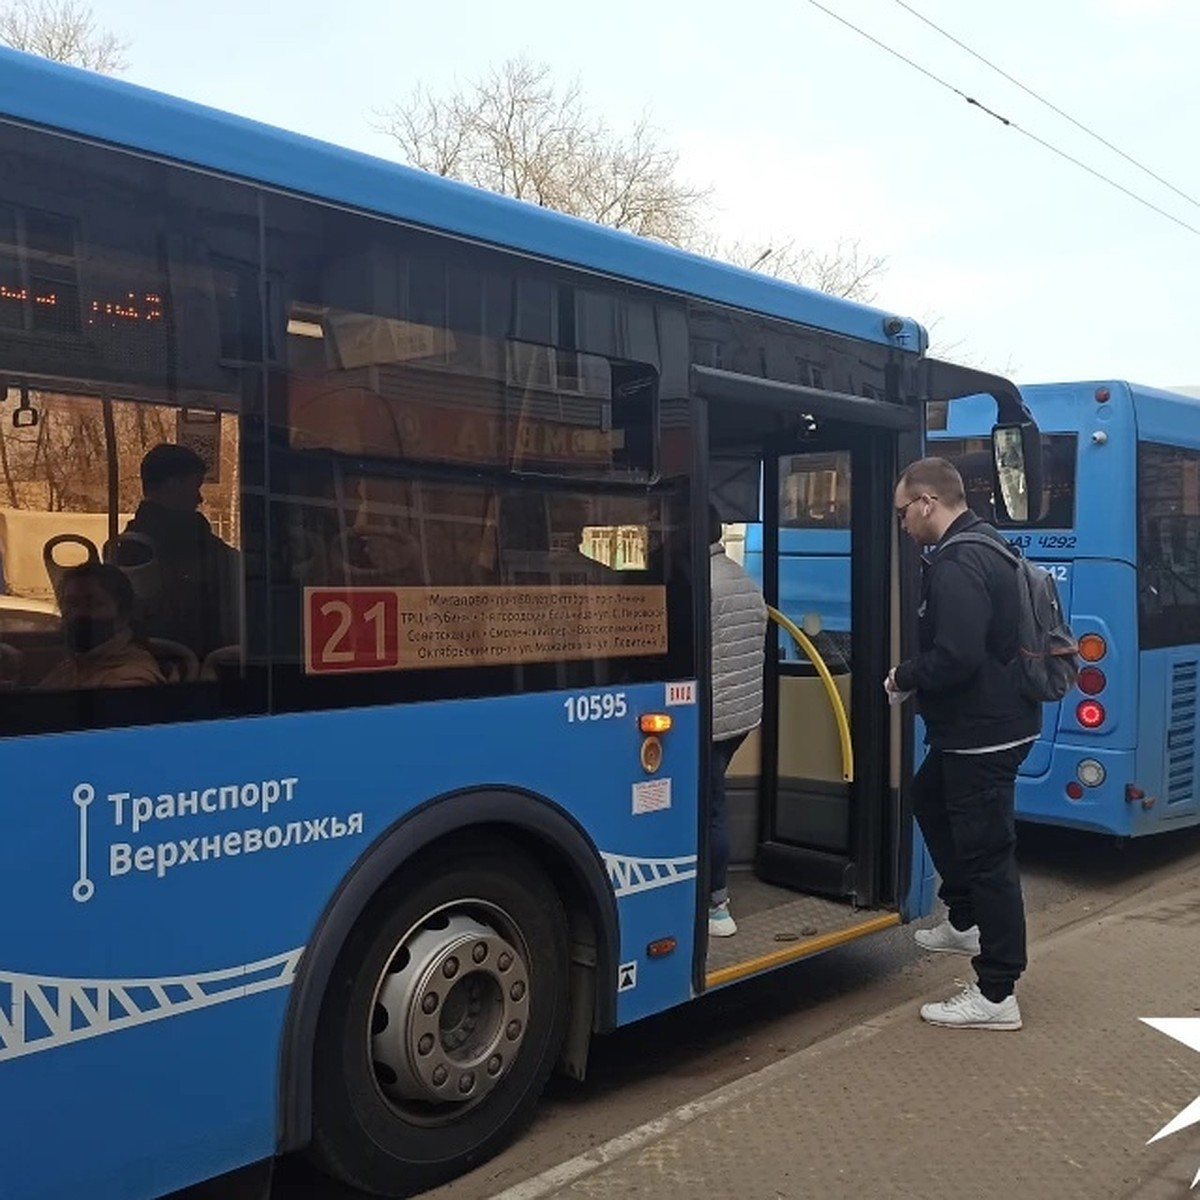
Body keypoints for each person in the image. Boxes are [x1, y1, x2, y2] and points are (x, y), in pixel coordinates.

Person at [887, 457, 1041, 1030]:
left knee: (988, 854)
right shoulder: (988, 543)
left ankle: (997, 994)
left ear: (928, 502)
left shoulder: (958, 562)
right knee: (928, 798)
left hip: (983, 733)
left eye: (903, 512)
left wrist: (903, 676)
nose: (902, 524)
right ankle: (966, 919)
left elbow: (956, 655)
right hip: (993, 724)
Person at [708, 503, 768, 938]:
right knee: (709, 803)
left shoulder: (700, 584)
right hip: (741, 717)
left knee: (709, 809)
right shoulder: (742, 579)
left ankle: (716, 903)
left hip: (710, 720)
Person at [121, 443, 238, 660]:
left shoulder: (129, 543)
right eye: (195, 487)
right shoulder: (192, 544)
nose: (199, 499)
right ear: (173, 485)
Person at [39, 563, 164, 690]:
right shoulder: (75, 665)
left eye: (93, 604)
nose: (79, 613)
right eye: (72, 604)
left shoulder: (128, 679)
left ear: (123, 614)